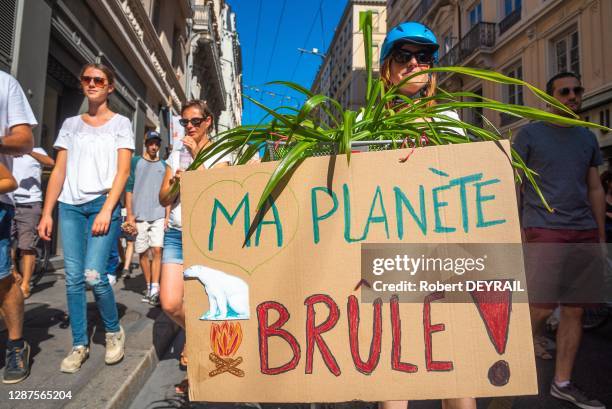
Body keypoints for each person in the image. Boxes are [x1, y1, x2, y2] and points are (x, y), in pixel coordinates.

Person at [378, 22, 476, 409]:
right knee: (396, 359)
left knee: (453, 359)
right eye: (404, 55)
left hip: (444, 253)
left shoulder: (449, 119)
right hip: (388, 255)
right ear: (387, 65)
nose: (415, 63)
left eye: (425, 56)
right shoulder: (366, 124)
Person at [513, 71, 605, 409]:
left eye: (576, 91)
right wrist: (517, 229)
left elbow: (595, 187)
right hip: (544, 229)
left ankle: (562, 382)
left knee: (574, 310)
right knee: (540, 305)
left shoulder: (587, 138)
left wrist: (598, 235)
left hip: (581, 230)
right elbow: (515, 183)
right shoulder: (529, 134)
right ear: (550, 98)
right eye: (564, 91)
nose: (572, 96)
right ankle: (514, 346)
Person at [38, 62, 134, 374]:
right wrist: (46, 212)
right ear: (82, 83)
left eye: (99, 80)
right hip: (70, 206)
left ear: (110, 86)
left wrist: (108, 208)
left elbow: (123, 172)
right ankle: (79, 344)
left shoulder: (121, 123)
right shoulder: (70, 124)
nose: (92, 83)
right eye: (87, 79)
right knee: (73, 279)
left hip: (101, 204)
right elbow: (59, 171)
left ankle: (112, 330)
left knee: (94, 275)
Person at [158, 100, 229, 393]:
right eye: (184, 121)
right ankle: (197, 336)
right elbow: (163, 198)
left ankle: (200, 378)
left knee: (206, 304)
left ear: (208, 121)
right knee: (170, 302)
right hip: (177, 233)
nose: (189, 127)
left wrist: (197, 155)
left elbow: (219, 190)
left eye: (195, 121)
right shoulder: (176, 154)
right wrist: (175, 182)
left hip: (207, 235)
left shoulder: (223, 150)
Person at [0, 71, 36, 384]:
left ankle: (15, 344)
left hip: (1, 201)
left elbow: (25, 140)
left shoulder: (5, 83)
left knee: (2, 280)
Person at [125, 130, 169, 306]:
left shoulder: (164, 166)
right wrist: (130, 215)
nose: (154, 146)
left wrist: (167, 216)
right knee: (142, 252)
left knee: (157, 250)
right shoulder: (135, 162)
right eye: (151, 143)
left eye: (157, 143)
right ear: (145, 143)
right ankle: (150, 285)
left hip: (158, 214)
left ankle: (156, 288)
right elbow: (128, 189)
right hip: (139, 216)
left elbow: (167, 193)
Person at [11, 147, 54, 298]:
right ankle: (15, 274)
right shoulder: (7, 151)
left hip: (30, 203)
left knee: (27, 246)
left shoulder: (38, 150)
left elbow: (51, 163)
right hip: (8, 201)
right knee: (6, 244)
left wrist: (28, 151)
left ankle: (26, 284)